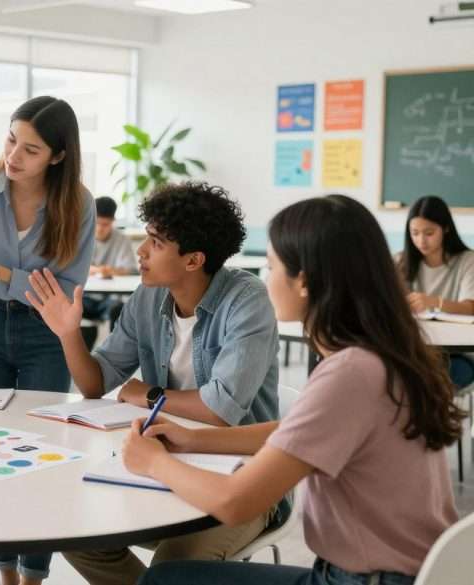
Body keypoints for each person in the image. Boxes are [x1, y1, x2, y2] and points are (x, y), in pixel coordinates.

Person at [134, 194, 463, 585]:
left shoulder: (350, 374)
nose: (265, 278)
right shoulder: (382, 354)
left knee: (165, 580)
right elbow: (296, 434)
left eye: (271, 266)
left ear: (303, 281)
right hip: (406, 572)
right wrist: (192, 440)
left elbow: (235, 502)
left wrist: (151, 461)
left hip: (364, 580)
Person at [25, 182, 281, 584]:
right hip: (164, 464)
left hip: (244, 478)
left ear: (194, 260)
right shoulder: (148, 298)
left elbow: (220, 410)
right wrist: (68, 333)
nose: (141, 251)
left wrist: (150, 394)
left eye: (156, 242)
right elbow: (96, 384)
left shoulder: (245, 301)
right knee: (71, 528)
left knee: (171, 567)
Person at [0, 95, 94, 585]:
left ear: (58, 156)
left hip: (47, 335)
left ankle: (34, 574)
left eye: (30, 149)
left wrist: (0, 271)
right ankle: (5, 572)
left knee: (42, 453)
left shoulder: (79, 205)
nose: (13, 156)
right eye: (11, 139)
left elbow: (65, 291)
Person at [396, 194, 474, 387]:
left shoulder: (467, 261)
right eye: (415, 233)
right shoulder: (399, 262)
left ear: (445, 229)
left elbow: (470, 308)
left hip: (455, 354)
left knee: (423, 380)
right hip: (411, 349)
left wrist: (434, 302)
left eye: (429, 233)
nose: (421, 240)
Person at [82, 196, 137, 347]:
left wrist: (111, 271)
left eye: (105, 224)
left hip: (110, 299)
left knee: (119, 309)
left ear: (113, 222)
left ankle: (115, 351)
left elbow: (131, 270)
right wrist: (99, 270)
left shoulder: (122, 239)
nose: (100, 228)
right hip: (84, 296)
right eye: (97, 223)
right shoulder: (80, 236)